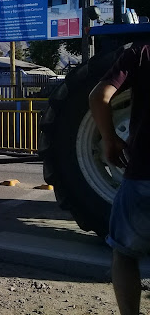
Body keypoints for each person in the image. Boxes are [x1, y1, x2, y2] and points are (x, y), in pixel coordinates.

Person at [89, 40, 150, 315]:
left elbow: (98, 96)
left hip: (142, 176)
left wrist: (110, 139)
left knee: (125, 254)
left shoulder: (140, 53)